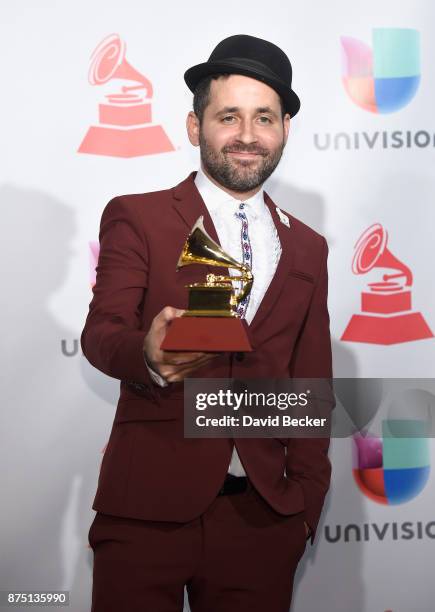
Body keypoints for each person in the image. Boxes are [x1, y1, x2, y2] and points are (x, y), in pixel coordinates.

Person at [82, 34, 333, 612]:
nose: (247, 135)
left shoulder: (311, 247)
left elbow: (310, 381)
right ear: (196, 127)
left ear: (285, 130)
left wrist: (304, 508)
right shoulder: (138, 216)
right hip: (146, 511)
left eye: (264, 117)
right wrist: (146, 355)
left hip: (261, 521)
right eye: (228, 116)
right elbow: (102, 333)